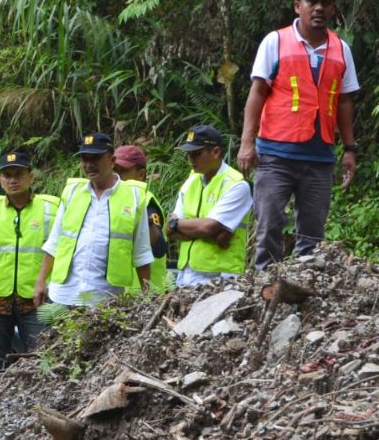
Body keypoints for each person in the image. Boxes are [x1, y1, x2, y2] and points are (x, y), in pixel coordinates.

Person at [238, 0, 360, 270]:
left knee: (312, 233)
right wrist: (246, 143)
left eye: (325, 3)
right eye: (311, 1)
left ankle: (304, 293)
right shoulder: (276, 41)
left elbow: (344, 101)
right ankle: (266, 287)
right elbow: (257, 92)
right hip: (276, 154)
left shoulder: (341, 49)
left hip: (319, 157)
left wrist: (350, 148)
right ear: (298, 6)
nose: (318, 8)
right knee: (269, 226)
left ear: (332, 9)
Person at [34, 132, 153, 307]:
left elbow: (141, 252)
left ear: (112, 161)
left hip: (105, 300)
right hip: (63, 295)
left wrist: (146, 297)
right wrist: (40, 281)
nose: (89, 165)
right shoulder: (73, 192)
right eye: (85, 159)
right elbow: (55, 241)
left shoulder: (133, 197)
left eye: (95, 158)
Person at [0, 150, 59, 371]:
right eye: (7, 175)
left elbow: (59, 252)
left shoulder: (51, 209)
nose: (12, 180)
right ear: (0, 180)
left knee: (40, 358)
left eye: (18, 174)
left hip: (35, 298)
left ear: (31, 177)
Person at [167, 126, 254, 286]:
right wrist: (211, 233)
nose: (191, 159)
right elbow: (170, 231)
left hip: (220, 278)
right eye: (188, 154)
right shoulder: (191, 181)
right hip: (186, 274)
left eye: (197, 153)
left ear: (215, 152)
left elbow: (207, 226)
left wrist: (178, 224)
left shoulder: (236, 185)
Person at [114, 144, 169, 261]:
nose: (117, 176)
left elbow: (160, 249)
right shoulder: (111, 200)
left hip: (144, 279)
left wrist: (145, 222)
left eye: (123, 171)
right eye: (114, 170)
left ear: (141, 174)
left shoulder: (147, 202)